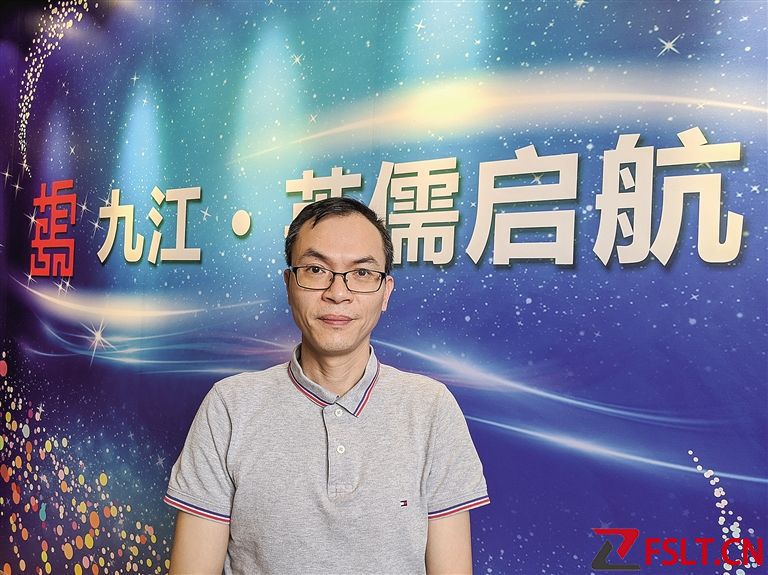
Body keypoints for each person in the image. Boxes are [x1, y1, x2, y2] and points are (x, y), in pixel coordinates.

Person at [165, 197, 489, 574]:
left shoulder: (431, 408)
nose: (338, 292)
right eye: (316, 269)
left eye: (362, 273)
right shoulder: (230, 407)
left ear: (386, 291)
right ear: (289, 284)